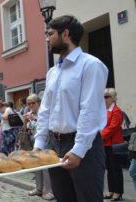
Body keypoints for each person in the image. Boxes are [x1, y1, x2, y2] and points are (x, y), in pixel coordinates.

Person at [33, 15, 108, 202]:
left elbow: (89, 110)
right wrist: (39, 144)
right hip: (54, 145)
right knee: (63, 198)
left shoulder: (91, 65)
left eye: (50, 34)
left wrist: (79, 149)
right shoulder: (53, 72)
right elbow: (45, 110)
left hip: (84, 145)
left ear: (65, 33)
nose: (47, 39)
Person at [23, 94, 54, 201]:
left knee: (46, 167)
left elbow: (48, 126)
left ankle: (49, 191)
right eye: (29, 103)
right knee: (36, 166)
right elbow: (25, 130)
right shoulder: (29, 114)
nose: (31, 105)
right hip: (33, 142)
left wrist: (34, 119)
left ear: (38, 103)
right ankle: (39, 188)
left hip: (46, 141)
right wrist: (25, 121)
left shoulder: (44, 112)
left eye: (33, 103)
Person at [101, 88, 124, 200]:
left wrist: (99, 136)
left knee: (116, 169)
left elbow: (113, 128)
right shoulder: (104, 110)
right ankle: (111, 190)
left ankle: (118, 192)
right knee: (109, 169)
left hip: (114, 144)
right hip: (105, 144)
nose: (104, 99)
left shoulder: (117, 111)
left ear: (112, 98)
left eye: (106, 96)